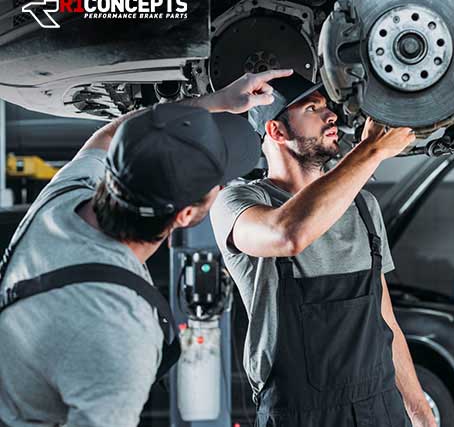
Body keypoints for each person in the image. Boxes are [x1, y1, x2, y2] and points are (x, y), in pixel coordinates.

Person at [0, 69, 292, 427]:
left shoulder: (64, 199)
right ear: (186, 215)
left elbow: (109, 134)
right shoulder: (120, 334)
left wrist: (211, 104)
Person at [210, 74, 437, 426]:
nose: (331, 116)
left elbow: (385, 320)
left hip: (379, 407)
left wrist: (420, 412)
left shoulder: (364, 206)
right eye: (312, 109)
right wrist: (371, 149)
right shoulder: (238, 202)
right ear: (277, 132)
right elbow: (288, 235)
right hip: (300, 414)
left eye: (327, 107)